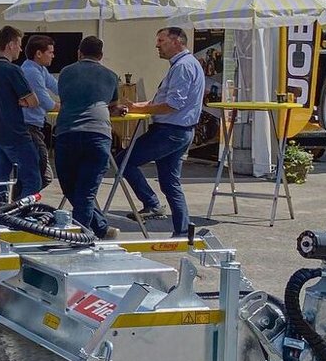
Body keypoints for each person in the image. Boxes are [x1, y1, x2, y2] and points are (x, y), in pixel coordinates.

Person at [122, 26, 204, 236]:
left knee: (124, 160)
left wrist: (143, 108)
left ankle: (152, 204)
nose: (157, 45)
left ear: (177, 41)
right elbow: (164, 101)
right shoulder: (186, 64)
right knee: (170, 182)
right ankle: (182, 231)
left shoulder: (183, 67)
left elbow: (172, 104)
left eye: (161, 40)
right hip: (180, 130)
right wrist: (136, 106)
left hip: (170, 130)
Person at [54, 36, 124, 240]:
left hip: (68, 132)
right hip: (98, 134)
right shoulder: (111, 76)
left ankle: (82, 236)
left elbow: (67, 98)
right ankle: (97, 229)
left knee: (70, 186)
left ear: (79, 53)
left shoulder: (66, 73)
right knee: (85, 190)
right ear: (101, 56)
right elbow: (112, 105)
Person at [0, 26, 41, 201]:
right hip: (15, 134)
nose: (21, 49)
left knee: (0, 181)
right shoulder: (12, 70)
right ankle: (23, 215)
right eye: (19, 44)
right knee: (32, 180)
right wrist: (24, 101)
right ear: (10, 45)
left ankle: (0, 215)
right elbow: (33, 101)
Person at [20, 34, 59, 189]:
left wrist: (73, 92)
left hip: (35, 126)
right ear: (38, 53)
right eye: (50, 52)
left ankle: (19, 206)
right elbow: (47, 103)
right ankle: (22, 205)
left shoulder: (40, 69)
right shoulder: (31, 72)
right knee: (43, 175)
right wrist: (71, 106)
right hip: (28, 127)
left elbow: (57, 87)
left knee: (29, 175)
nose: (53, 56)